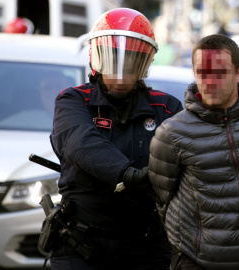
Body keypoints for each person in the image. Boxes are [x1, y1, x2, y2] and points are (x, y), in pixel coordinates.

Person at [48, 8, 182, 270]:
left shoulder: (166, 108)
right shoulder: (73, 100)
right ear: (96, 58)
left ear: (144, 63)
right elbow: (81, 142)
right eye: (113, 59)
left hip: (146, 247)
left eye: (130, 61)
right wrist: (128, 175)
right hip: (80, 244)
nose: (121, 71)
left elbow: (187, 158)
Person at [148, 34, 239, 270]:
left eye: (220, 72)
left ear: (238, 73)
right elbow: (162, 201)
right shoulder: (172, 133)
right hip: (197, 262)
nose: (210, 81)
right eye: (202, 73)